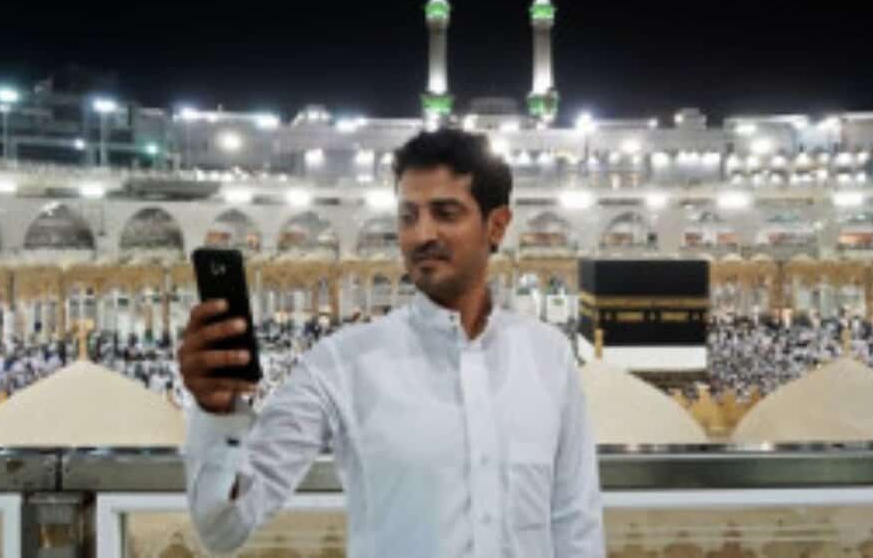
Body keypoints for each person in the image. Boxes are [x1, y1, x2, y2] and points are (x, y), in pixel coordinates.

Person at [180, 127, 605, 557]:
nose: (421, 235)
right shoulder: (342, 364)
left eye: (445, 213)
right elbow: (223, 529)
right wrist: (216, 415)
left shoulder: (547, 356)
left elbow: (575, 525)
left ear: (496, 226)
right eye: (408, 216)